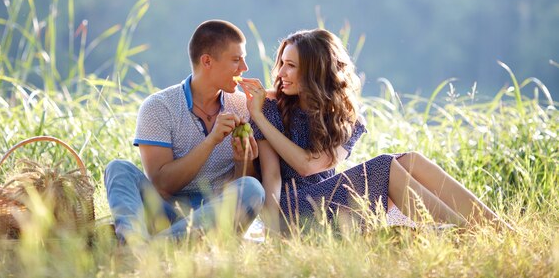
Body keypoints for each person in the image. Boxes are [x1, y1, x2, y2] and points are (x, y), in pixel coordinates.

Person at [238, 28, 511, 233]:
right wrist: (275, 231)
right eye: (282, 63)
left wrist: (259, 117)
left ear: (314, 72)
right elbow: (273, 176)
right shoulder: (271, 109)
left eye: (291, 66)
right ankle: (466, 232)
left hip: (330, 203)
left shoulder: (345, 118)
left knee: (410, 159)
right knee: (385, 165)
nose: (281, 72)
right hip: (293, 212)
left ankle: (495, 226)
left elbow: (312, 165)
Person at [104, 20, 265, 244]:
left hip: (214, 215)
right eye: (236, 60)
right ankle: (137, 240)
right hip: (166, 213)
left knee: (253, 188)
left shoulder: (242, 106)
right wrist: (211, 141)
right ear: (207, 61)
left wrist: (243, 161)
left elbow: (242, 186)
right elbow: (161, 185)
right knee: (118, 168)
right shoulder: (159, 107)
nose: (244, 68)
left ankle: (142, 250)